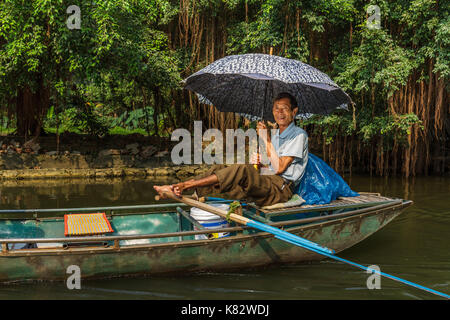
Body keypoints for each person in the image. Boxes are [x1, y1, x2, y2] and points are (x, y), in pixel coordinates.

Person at [154, 92, 309, 207]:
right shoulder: (275, 135)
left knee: (243, 169)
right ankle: (183, 190)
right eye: (276, 108)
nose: (279, 113)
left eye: (284, 109)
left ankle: (184, 186)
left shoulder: (298, 135)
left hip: (280, 190)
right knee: (220, 167)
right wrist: (261, 163)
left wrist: (265, 139)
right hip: (266, 181)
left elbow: (280, 167)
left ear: (294, 112)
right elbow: (270, 166)